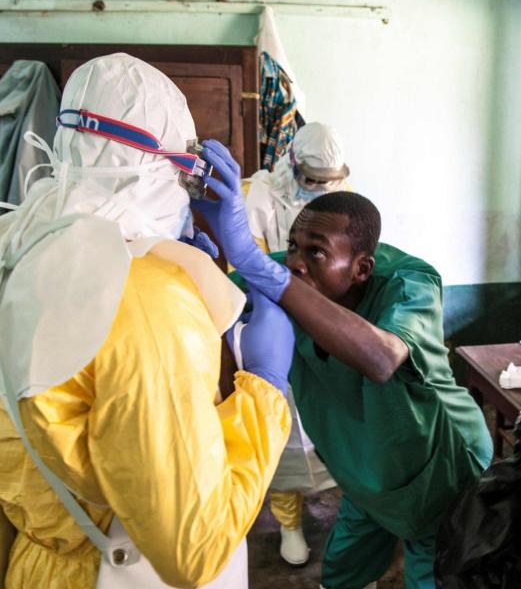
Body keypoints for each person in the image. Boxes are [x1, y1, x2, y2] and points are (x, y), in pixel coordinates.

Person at [0, 54, 293, 588]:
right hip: (118, 568)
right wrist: (265, 391)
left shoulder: (5, 247)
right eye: (187, 170)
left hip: (39, 560)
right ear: (163, 167)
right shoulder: (149, 300)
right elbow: (192, 550)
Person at [193, 149, 494, 589]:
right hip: (364, 472)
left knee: (435, 574)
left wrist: (264, 272)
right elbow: (212, 296)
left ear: (361, 269)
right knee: (341, 573)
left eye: (315, 252)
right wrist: (192, 248)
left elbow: (382, 358)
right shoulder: (296, 273)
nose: (294, 261)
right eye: (293, 247)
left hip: (440, 469)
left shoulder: (408, 284)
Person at [242, 122, 350, 566]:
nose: (320, 190)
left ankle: (348, 516)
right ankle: (288, 523)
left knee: (336, 427)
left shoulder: (348, 197)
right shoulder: (262, 197)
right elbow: (249, 261)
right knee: (284, 429)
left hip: (329, 323)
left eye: (330, 183)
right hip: (280, 324)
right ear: (292, 166)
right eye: (312, 182)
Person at [245, 121, 351, 253]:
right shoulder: (257, 197)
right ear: (292, 163)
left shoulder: (344, 195)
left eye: (327, 182)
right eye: (311, 180)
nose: (320, 188)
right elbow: (248, 265)